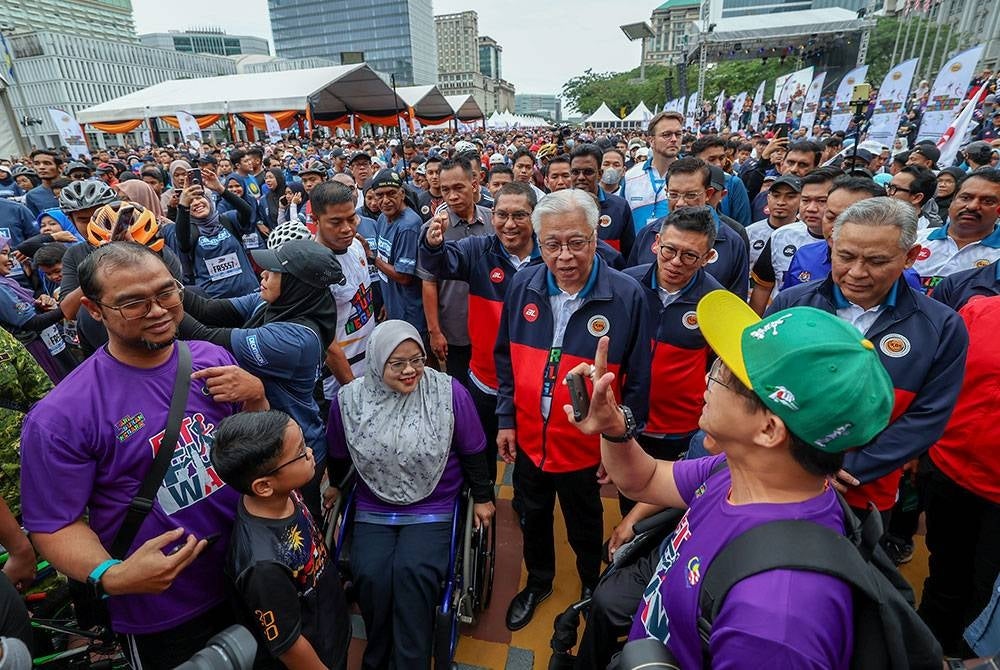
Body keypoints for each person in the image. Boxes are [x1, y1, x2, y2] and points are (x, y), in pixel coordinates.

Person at [566, 289, 895, 669]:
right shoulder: (734, 469)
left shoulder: (776, 619)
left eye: (724, 372)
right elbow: (646, 479)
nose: (708, 375)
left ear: (769, 429)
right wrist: (615, 428)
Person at [20, 242, 268, 670]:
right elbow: (54, 525)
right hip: (162, 607)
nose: (157, 310)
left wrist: (257, 400)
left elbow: (252, 457)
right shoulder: (61, 415)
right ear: (95, 311)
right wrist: (112, 576)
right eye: (132, 302)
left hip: (253, 575)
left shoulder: (214, 362)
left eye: (166, 292)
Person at [495, 189, 650, 631]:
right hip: (528, 439)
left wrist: (618, 442)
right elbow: (505, 358)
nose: (564, 256)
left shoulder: (626, 296)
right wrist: (506, 418)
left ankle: (588, 585)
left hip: (588, 448)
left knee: (585, 522)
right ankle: (539, 581)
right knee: (533, 515)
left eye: (576, 242)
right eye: (552, 244)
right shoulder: (524, 284)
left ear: (595, 238)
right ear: (538, 242)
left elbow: (638, 384)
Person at [768, 198, 968, 521]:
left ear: (910, 257)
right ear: (831, 244)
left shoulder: (942, 327)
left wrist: (847, 467)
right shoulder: (791, 305)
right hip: (779, 476)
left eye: (876, 261)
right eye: (845, 256)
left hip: (862, 493)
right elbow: (759, 384)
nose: (857, 272)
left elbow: (929, 416)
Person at [326, 320, 495, 670]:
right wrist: (335, 487)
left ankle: (412, 661)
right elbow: (340, 455)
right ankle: (379, 656)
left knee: (413, 573)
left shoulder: (448, 393)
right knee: (371, 575)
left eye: (417, 360)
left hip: (434, 504)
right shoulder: (350, 400)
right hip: (374, 504)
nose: (409, 371)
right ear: (376, 361)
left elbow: (475, 448)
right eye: (397, 363)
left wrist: (482, 496)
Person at [179, 239, 343, 520]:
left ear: (296, 284)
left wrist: (161, 301)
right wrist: (162, 283)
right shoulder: (276, 301)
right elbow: (208, 309)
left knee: (300, 532)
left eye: (273, 271)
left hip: (292, 453)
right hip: (268, 439)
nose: (262, 275)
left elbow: (205, 336)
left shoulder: (295, 338)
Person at [419, 181, 539, 482]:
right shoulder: (479, 250)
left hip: (532, 388)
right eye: (501, 215)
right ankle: (482, 504)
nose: (509, 224)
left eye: (519, 216)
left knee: (529, 465)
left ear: (535, 217)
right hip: (485, 381)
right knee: (481, 451)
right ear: (492, 215)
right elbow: (442, 262)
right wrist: (432, 243)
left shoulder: (550, 258)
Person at [212, 410, 351, 670]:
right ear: (264, 486)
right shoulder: (261, 566)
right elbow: (289, 646)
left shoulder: (283, 494)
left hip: (330, 631)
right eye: (300, 452)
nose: (310, 452)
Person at [918, 295, 1000, 657]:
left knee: (987, 592)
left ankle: (970, 658)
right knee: (945, 571)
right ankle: (924, 649)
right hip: (947, 470)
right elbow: (936, 378)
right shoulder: (980, 311)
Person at [623, 207, 722, 467]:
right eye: (669, 250)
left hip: (681, 428)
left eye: (690, 255)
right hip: (624, 418)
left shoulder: (717, 303)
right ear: (656, 243)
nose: (676, 262)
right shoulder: (625, 287)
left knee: (672, 503)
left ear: (707, 257)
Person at [627, 158, 749, 298]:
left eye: (691, 195)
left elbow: (736, 303)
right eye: (673, 195)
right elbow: (629, 288)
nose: (680, 203)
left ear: (708, 194)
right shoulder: (647, 234)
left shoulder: (733, 242)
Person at [418, 157, 492, 378]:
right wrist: (435, 331)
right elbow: (429, 282)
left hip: (491, 326)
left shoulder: (494, 221)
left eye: (458, 187)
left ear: (475, 184)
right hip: (455, 331)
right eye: (445, 190)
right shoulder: (433, 230)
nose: (452, 196)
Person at [309, 181, 377, 400]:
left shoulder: (356, 245)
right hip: (339, 382)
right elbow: (328, 345)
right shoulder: (312, 269)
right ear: (316, 220)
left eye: (351, 218)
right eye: (336, 222)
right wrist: (353, 390)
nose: (347, 228)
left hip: (372, 365)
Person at [748, 168, 835, 313]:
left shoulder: (850, 243)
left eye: (822, 201)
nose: (812, 208)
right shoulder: (780, 236)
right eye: (806, 200)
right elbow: (763, 287)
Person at [911, 168, 1000, 295]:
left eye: (988, 201)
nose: (972, 206)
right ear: (952, 200)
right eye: (965, 197)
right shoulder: (916, 240)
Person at [0, 234, 75, 381]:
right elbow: (32, 323)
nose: (10, 259)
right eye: (3, 253)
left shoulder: (7, 283)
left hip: (46, 343)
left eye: (9, 253)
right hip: (32, 349)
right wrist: (68, 307)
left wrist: (39, 304)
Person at [175, 170, 259, 299]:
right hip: (217, 303)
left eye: (199, 197)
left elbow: (247, 211)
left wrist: (221, 189)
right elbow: (182, 242)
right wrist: (183, 205)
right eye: (190, 202)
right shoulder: (190, 230)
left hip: (250, 295)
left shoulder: (227, 220)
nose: (196, 203)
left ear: (208, 199)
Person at [369, 169, 426, 336]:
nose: (385, 200)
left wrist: (372, 258)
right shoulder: (382, 218)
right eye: (380, 195)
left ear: (402, 193)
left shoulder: (408, 225)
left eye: (391, 193)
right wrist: (388, 301)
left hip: (409, 311)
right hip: (394, 305)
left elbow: (404, 277)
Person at [571, 143, 635, 258]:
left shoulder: (620, 207)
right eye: (575, 172)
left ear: (600, 174)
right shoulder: (559, 208)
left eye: (588, 172)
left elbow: (629, 253)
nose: (580, 177)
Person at [623, 112, 684, 230]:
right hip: (638, 247)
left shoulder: (692, 177)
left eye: (678, 134)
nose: (674, 139)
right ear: (651, 140)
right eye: (666, 135)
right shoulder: (631, 176)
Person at [745, 175, 803, 269]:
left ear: (801, 200)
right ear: (768, 198)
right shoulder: (749, 232)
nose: (781, 202)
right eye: (776, 196)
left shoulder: (806, 235)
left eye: (790, 197)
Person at [24, 150, 62, 217]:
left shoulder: (74, 187)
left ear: (60, 167)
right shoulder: (32, 195)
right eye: (36, 164)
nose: (41, 167)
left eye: (47, 163)